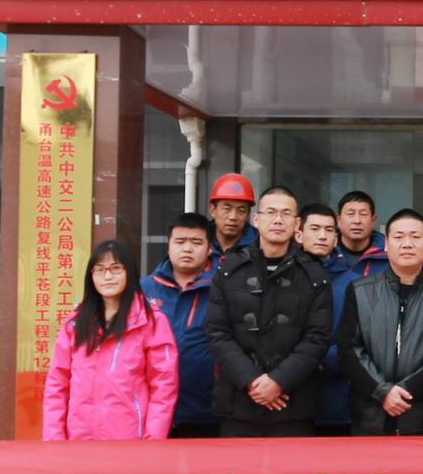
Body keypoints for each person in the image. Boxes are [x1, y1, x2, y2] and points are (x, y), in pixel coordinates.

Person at [203, 186, 334, 437]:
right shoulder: (229, 270)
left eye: (286, 214)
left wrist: (278, 382)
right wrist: (252, 380)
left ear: (296, 224)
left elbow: (317, 338)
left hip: (294, 405)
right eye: (271, 212)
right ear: (256, 219)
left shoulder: (314, 275)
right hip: (238, 402)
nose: (278, 220)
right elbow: (217, 332)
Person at [336, 209, 423, 436]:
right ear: (386, 244)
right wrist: (382, 392)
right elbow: (349, 350)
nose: (407, 244)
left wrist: (405, 391)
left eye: (415, 237)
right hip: (369, 416)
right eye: (398, 237)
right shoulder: (360, 291)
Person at [43, 240, 178, 441]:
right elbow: (57, 384)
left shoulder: (151, 321)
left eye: (115, 269)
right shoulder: (75, 323)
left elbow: (163, 386)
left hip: (131, 441)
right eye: (99, 270)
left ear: (129, 273)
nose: (107, 276)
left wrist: (153, 440)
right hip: (79, 439)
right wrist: (54, 440)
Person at [144, 212, 221, 439]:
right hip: (153, 412)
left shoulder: (222, 288)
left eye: (196, 242)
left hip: (208, 412)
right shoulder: (144, 289)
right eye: (180, 241)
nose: (187, 249)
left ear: (209, 248)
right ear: (168, 245)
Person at [296, 204, 352, 434]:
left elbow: (359, 339)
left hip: (337, 401)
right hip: (288, 399)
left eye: (329, 230)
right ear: (298, 234)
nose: (322, 236)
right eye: (315, 228)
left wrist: (314, 360)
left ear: (336, 238)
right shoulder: (281, 277)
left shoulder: (353, 284)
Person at [327, 190, 387, 285]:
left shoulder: (388, 254)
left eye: (363, 214)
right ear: (338, 219)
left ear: (373, 219)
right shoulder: (326, 252)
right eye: (350, 214)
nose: (357, 221)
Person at [206, 171, 258, 262]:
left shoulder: (259, 246)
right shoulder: (199, 242)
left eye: (241, 210)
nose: (233, 217)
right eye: (227, 208)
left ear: (248, 214)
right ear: (213, 210)